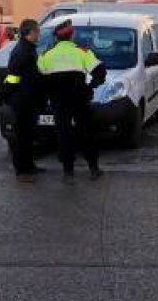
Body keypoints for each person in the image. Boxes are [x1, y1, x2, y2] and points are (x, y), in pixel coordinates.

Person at [37, 20, 107, 183]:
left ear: (56, 38)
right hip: (80, 99)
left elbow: (40, 77)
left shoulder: (46, 55)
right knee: (86, 132)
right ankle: (93, 169)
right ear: (72, 36)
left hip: (58, 101)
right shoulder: (82, 52)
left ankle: (68, 173)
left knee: (64, 134)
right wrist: (90, 86)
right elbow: (100, 71)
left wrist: (48, 93)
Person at [2, 19, 44, 184]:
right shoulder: (22, 51)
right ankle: (21, 170)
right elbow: (13, 76)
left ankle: (30, 165)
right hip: (22, 100)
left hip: (29, 99)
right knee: (22, 136)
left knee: (29, 135)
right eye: (37, 31)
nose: (39, 34)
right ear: (31, 32)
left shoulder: (28, 49)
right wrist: (7, 95)